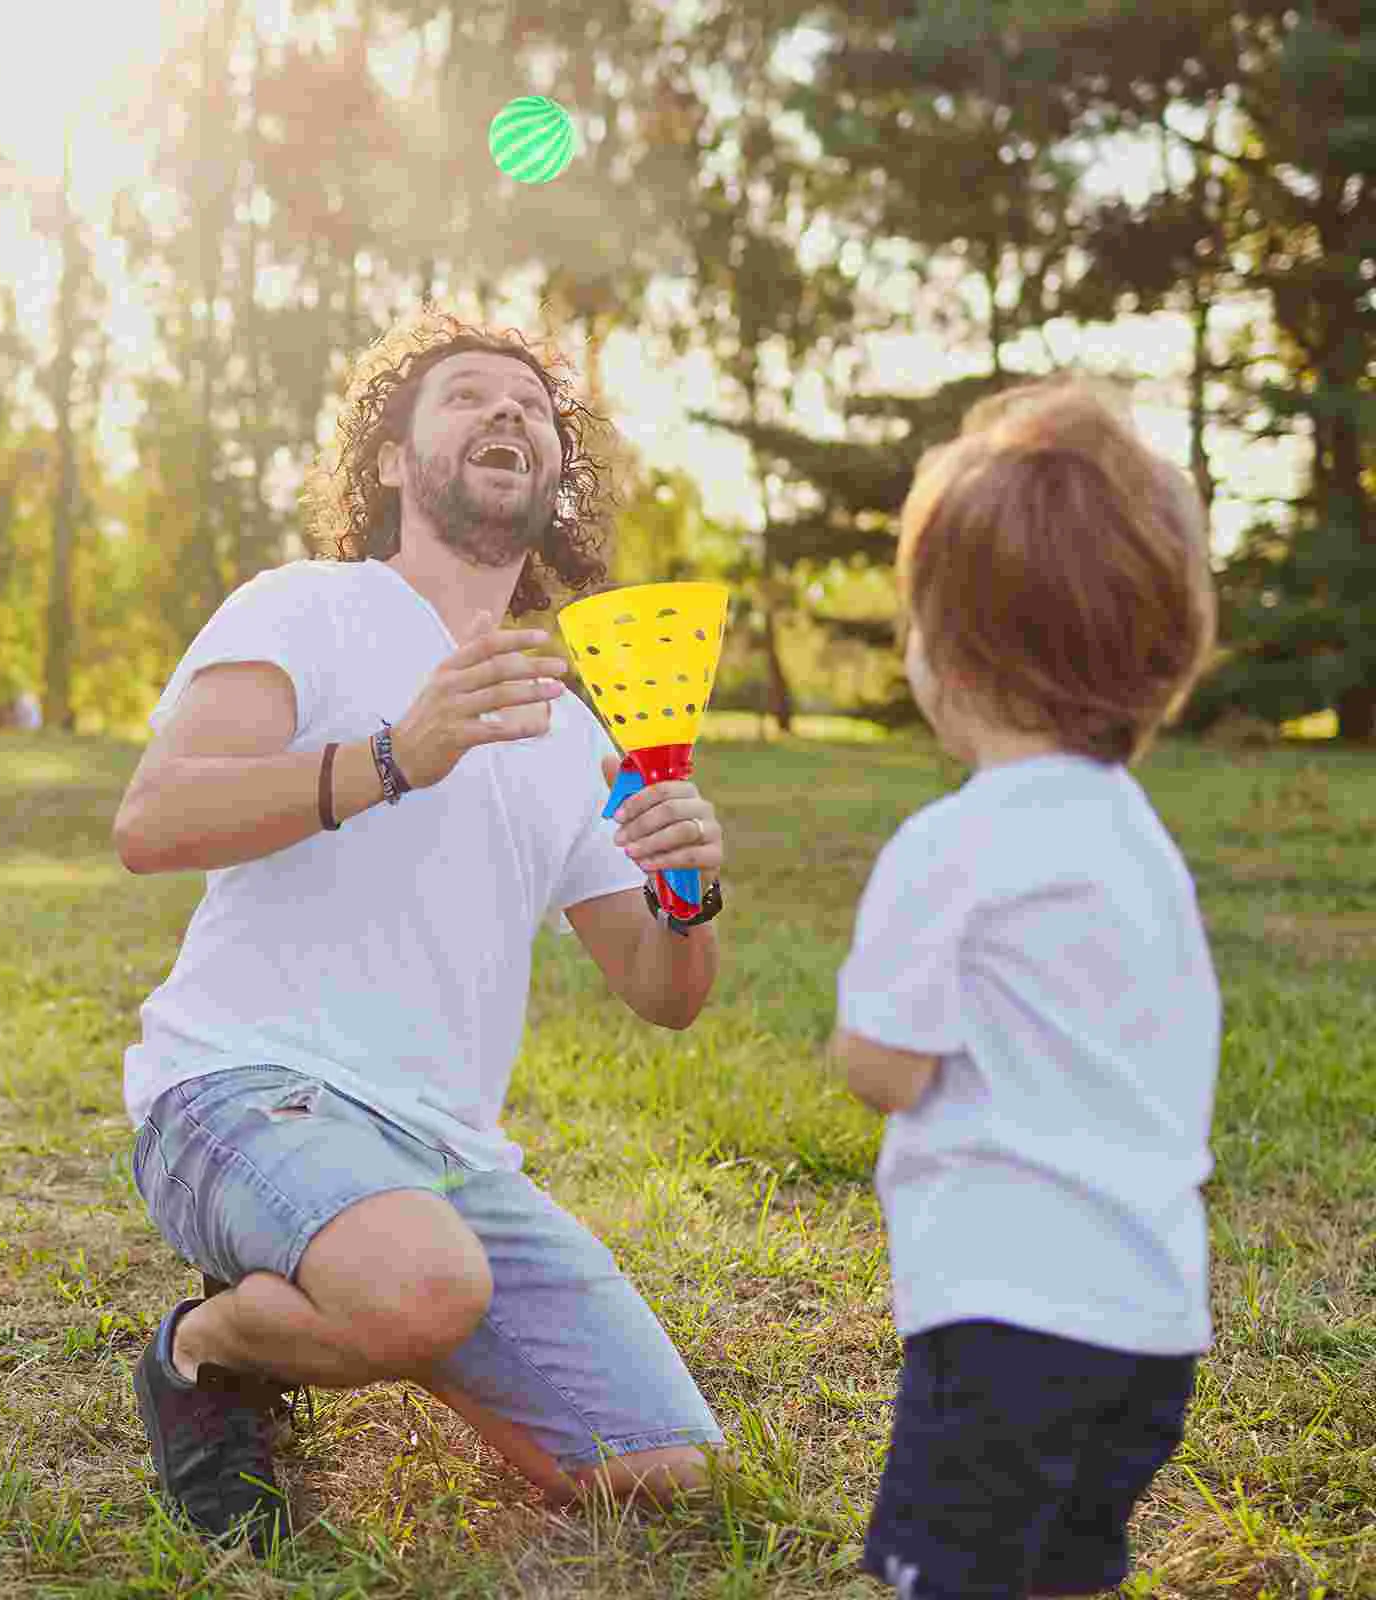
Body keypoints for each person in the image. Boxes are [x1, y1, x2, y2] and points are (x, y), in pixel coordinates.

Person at [114, 313, 729, 1553]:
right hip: (239, 1088)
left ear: (557, 476)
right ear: (391, 463)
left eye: (532, 406)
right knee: (422, 1285)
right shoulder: (305, 608)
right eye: (465, 397)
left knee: (667, 1469)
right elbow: (152, 821)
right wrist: (399, 755)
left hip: (447, 1154)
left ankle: (359, 1282)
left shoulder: (569, 722)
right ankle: (207, 1346)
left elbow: (663, 993)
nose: (508, 414)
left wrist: (687, 887)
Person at [825, 376, 1221, 1600]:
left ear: (946, 653)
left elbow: (883, 1062)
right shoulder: (1139, 841)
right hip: (1150, 1328)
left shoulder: (953, 845)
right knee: (1059, 1575)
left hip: (1004, 1320)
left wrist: (861, 1051)